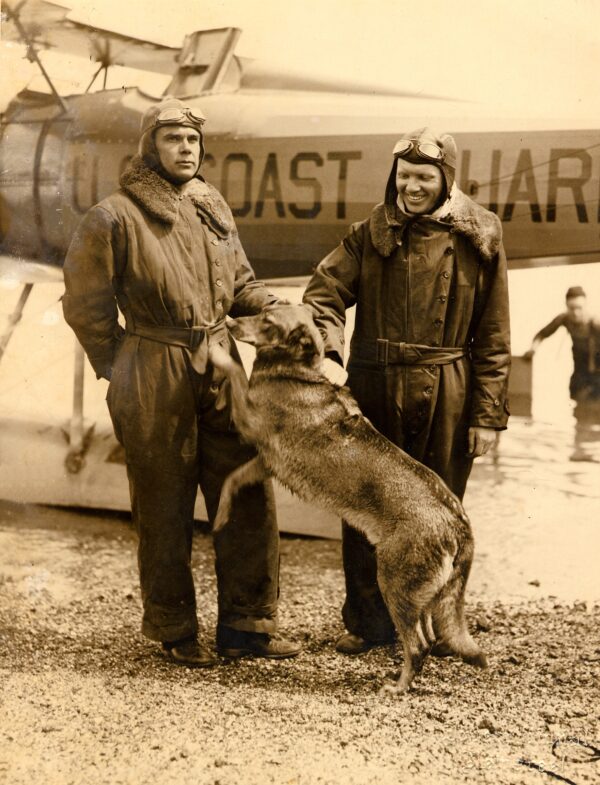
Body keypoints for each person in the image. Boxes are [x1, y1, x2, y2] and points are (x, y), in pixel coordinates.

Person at [62, 98, 301, 666]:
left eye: (193, 141)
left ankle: (247, 626)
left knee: (245, 489)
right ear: (151, 147)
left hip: (221, 364)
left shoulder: (211, 205)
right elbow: (84, 306)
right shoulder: (112, 216)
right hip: (152, 367)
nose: (186, 150)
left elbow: (241, 285)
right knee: (164, 501)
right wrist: (121, 366)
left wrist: (279, 307)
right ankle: (173, 629)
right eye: (173, 140)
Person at [303, 127, 511, 654]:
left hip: (450, 391)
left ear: (446, 181)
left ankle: (443, 629)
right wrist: (330, 352)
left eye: (425, 177)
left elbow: (493, 334)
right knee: (367, 507)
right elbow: (323, 294)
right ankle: (369, 625)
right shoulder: (367, 233)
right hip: (373, 387)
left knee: (443, 512)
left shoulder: (481, 236)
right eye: (405, 176)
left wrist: (487, 415)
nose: (412, 187)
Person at [525, 286, 600, 460]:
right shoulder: (564, 319)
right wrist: (532, 350)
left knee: (594, 413)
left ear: (586, 306)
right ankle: (580, 451)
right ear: (567, 306)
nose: (575, 313)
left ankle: (591, 451)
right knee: (579, 412)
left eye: (579, 308)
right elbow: (541, 334)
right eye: (572, 308)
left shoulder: (595, 323)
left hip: (597, 374)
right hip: (580, 373)